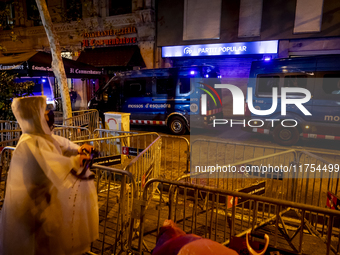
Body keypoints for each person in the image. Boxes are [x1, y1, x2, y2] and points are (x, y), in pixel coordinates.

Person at [0, 96, 99, 255]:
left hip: (43, 207)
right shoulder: (30, 142)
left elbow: (61, 143)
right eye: (44, 110)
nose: (49, 113)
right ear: (35, 115)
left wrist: (78, 149)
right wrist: (76, 161)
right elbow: (54, 163)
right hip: (31, 212)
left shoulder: (42, 137)